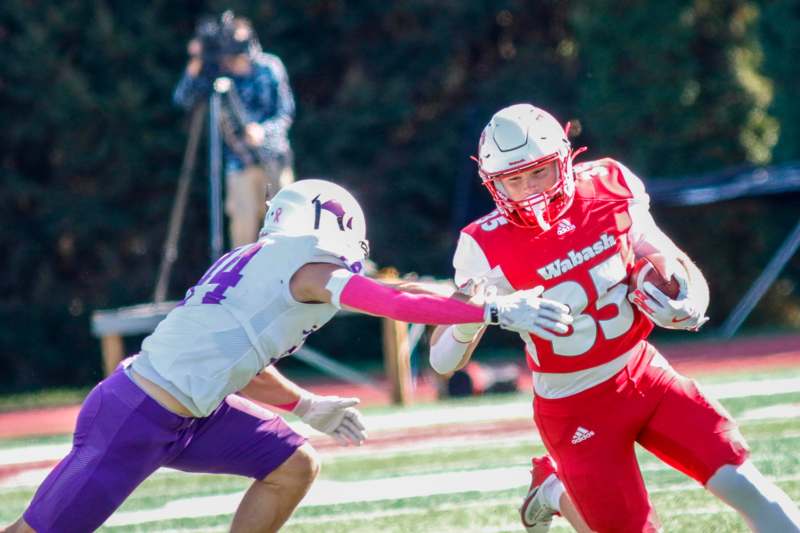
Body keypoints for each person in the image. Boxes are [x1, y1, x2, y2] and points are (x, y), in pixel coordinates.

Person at [4, 178, 573, 533]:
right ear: (332, 225)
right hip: (136, 418)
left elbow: (239, 361)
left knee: (293, 464)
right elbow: (391, 302)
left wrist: (304, 405)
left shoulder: (265, 265)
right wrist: (491, 313)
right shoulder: (306, 265)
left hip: (186, 411)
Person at [429, 104, 800, 532]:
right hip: (574, 405)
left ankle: (557, 486)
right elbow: (442, 362)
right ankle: (554, 488)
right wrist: (479, 312)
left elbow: (665, 255)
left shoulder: (610, 184)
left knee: (744, 483)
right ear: (494, 184)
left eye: (540, 172)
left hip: (645, 374)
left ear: (564, 161)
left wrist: (690, 296)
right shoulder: (483, 245)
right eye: (515, 179)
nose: (530, 190)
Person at [174, 11, 296, 248]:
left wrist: (263, 132)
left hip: (274, 160)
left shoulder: (269, 67)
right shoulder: (218, 73)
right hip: (239, 166)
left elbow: (285, 112)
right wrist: (197, 60)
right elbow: (183, 98)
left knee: (286, 233)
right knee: (243, 238)